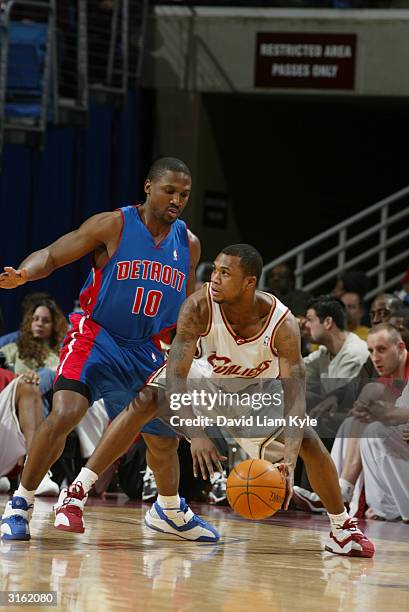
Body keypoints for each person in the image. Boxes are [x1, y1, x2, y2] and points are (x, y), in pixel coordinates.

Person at [67, 244, 374, 557]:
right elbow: (176, 376)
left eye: (225, 273)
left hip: (255, 395)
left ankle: (342, 527)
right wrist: (197, 433)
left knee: (308, 440)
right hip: (204, 382)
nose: (214, 278)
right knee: (147, 398)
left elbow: (294, 399)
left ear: (249, 283)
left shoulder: (282, 324)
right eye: (214, 269)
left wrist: (288, 461)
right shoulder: (199, 305)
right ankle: (78, 491)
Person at [1, 156, 217, 543]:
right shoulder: (114, 224)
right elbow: (52, 254)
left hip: (145, 346)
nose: (177, 200)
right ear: (149, 187)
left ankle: (169, 510)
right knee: (67, 412)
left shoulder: (189, 244)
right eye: (169, 190)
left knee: (163, 439)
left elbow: (185, 307)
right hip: (96, 334)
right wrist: (24, 273)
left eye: (184, 194)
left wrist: (197, 339)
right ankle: (20, 503)